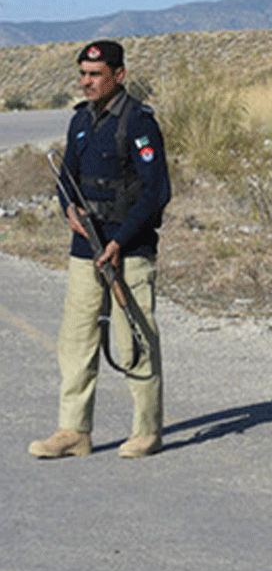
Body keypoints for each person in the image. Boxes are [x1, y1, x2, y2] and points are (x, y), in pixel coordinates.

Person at [28, 40, 171, 459]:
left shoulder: (139, 123)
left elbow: (156, 191)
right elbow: (65, 177)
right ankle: (74, 431)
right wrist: (67, 209)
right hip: (84, 246)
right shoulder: (80, 121)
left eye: (95, 75)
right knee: (76, 340)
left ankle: (146, 430)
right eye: (82, 74)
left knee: (134, 338)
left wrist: (118, 240)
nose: (86, 82)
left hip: (128, 247)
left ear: (118, 76)